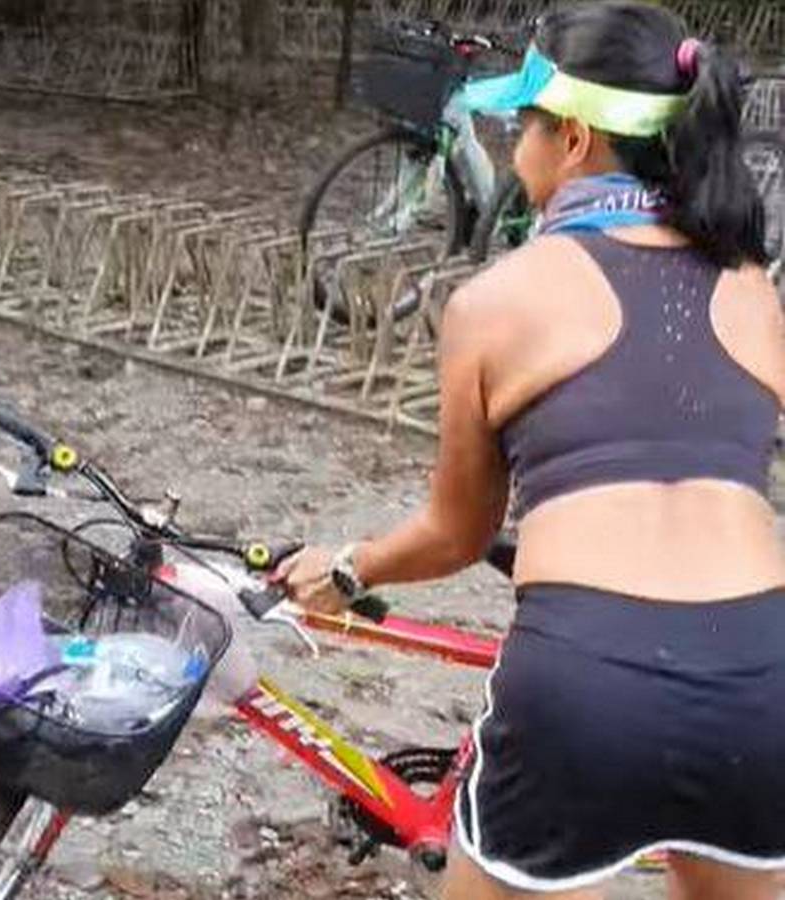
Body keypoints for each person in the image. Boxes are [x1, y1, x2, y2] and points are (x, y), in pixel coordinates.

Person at [276, 2, 785, 898]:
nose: (514, 142)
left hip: (588, 673)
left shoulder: (498, 298)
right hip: (761, 670)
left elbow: (456, 533)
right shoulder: (751, 284)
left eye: (525, 121)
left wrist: (348, 569)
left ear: (577, 139)